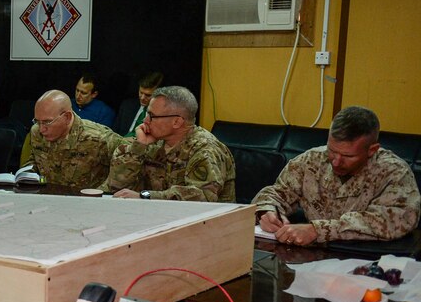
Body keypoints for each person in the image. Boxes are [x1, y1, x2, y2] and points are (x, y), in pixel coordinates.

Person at [253, 106, 421, 245]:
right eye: (332, 151)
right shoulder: (311, 160)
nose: (336, 162)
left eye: (348, 156)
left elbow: (394, 220)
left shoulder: (394, 173)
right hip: (310, 259)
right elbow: (276, 192)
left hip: (364, 261)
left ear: (372, 150)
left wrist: (317, 230)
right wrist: (266, 211)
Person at [106, 85, 236, 202]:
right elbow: (116, 188)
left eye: (152, 116)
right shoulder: (153, 142)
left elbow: (202, 198)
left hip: (206, 225)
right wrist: (138, 147)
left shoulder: (205, 149)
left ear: (177, 122)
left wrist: (146, 196)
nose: (145, 120)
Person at [25, 89, 122, 189]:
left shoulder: (99, 138)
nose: (41, 129)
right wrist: (25, 176)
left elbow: (131, 161)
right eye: (37, 121)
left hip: (85, 202)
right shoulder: (36, 131)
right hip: (47, 200)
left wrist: (104, 192)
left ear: (67, 117)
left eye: (47, 122)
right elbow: (36, 160)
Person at [116, 71, 164, 137]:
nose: (142, 98)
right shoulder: (127, 106)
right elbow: (114, 132)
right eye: (141, 92)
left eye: (148, 95)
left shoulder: (164, 116)